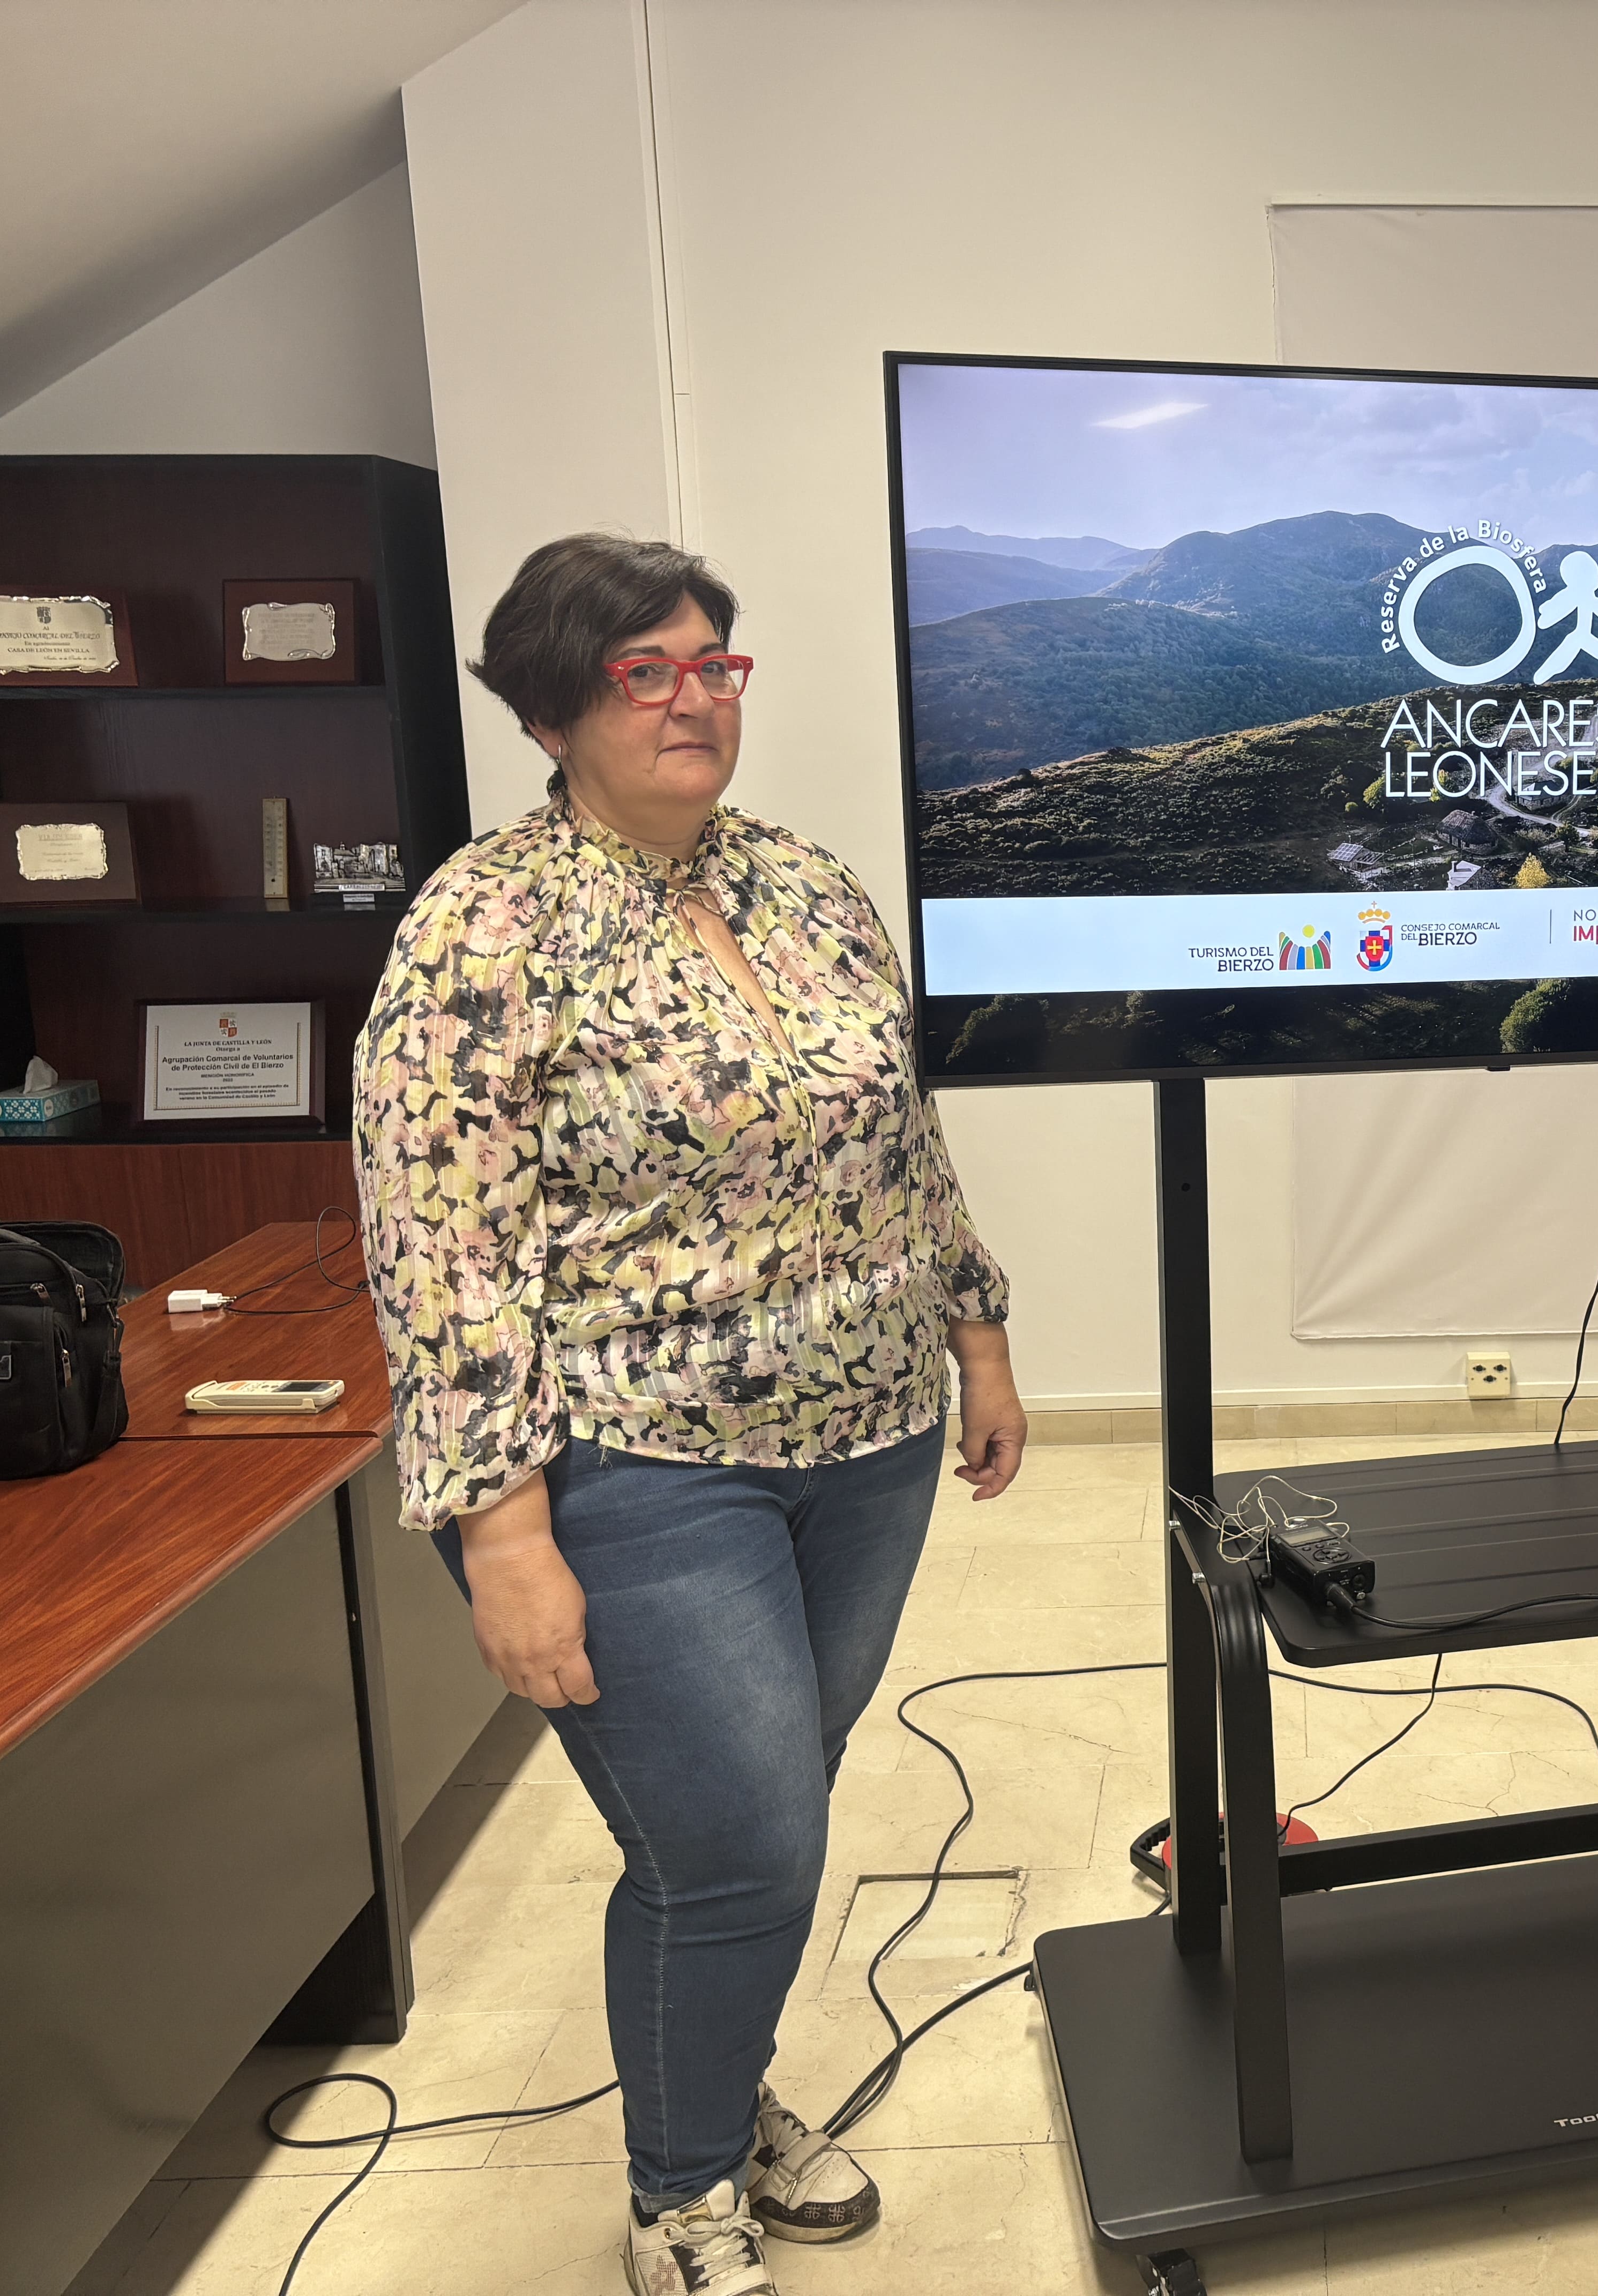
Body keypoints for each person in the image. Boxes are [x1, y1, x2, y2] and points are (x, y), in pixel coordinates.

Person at [355, 533, 1026, 2294]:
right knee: (736, 1840)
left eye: (712, 664)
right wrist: (503, 1531)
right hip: (637, 1462)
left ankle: (716, 2092)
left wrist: (977, 1330)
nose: (691, 698)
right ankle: (680, 2194)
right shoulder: (481, 930)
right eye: (643, 670)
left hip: (868, 1434)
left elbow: (904, 1139)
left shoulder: (808, 885)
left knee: (764, 1813)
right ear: (551, 709)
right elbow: (441, 1250)